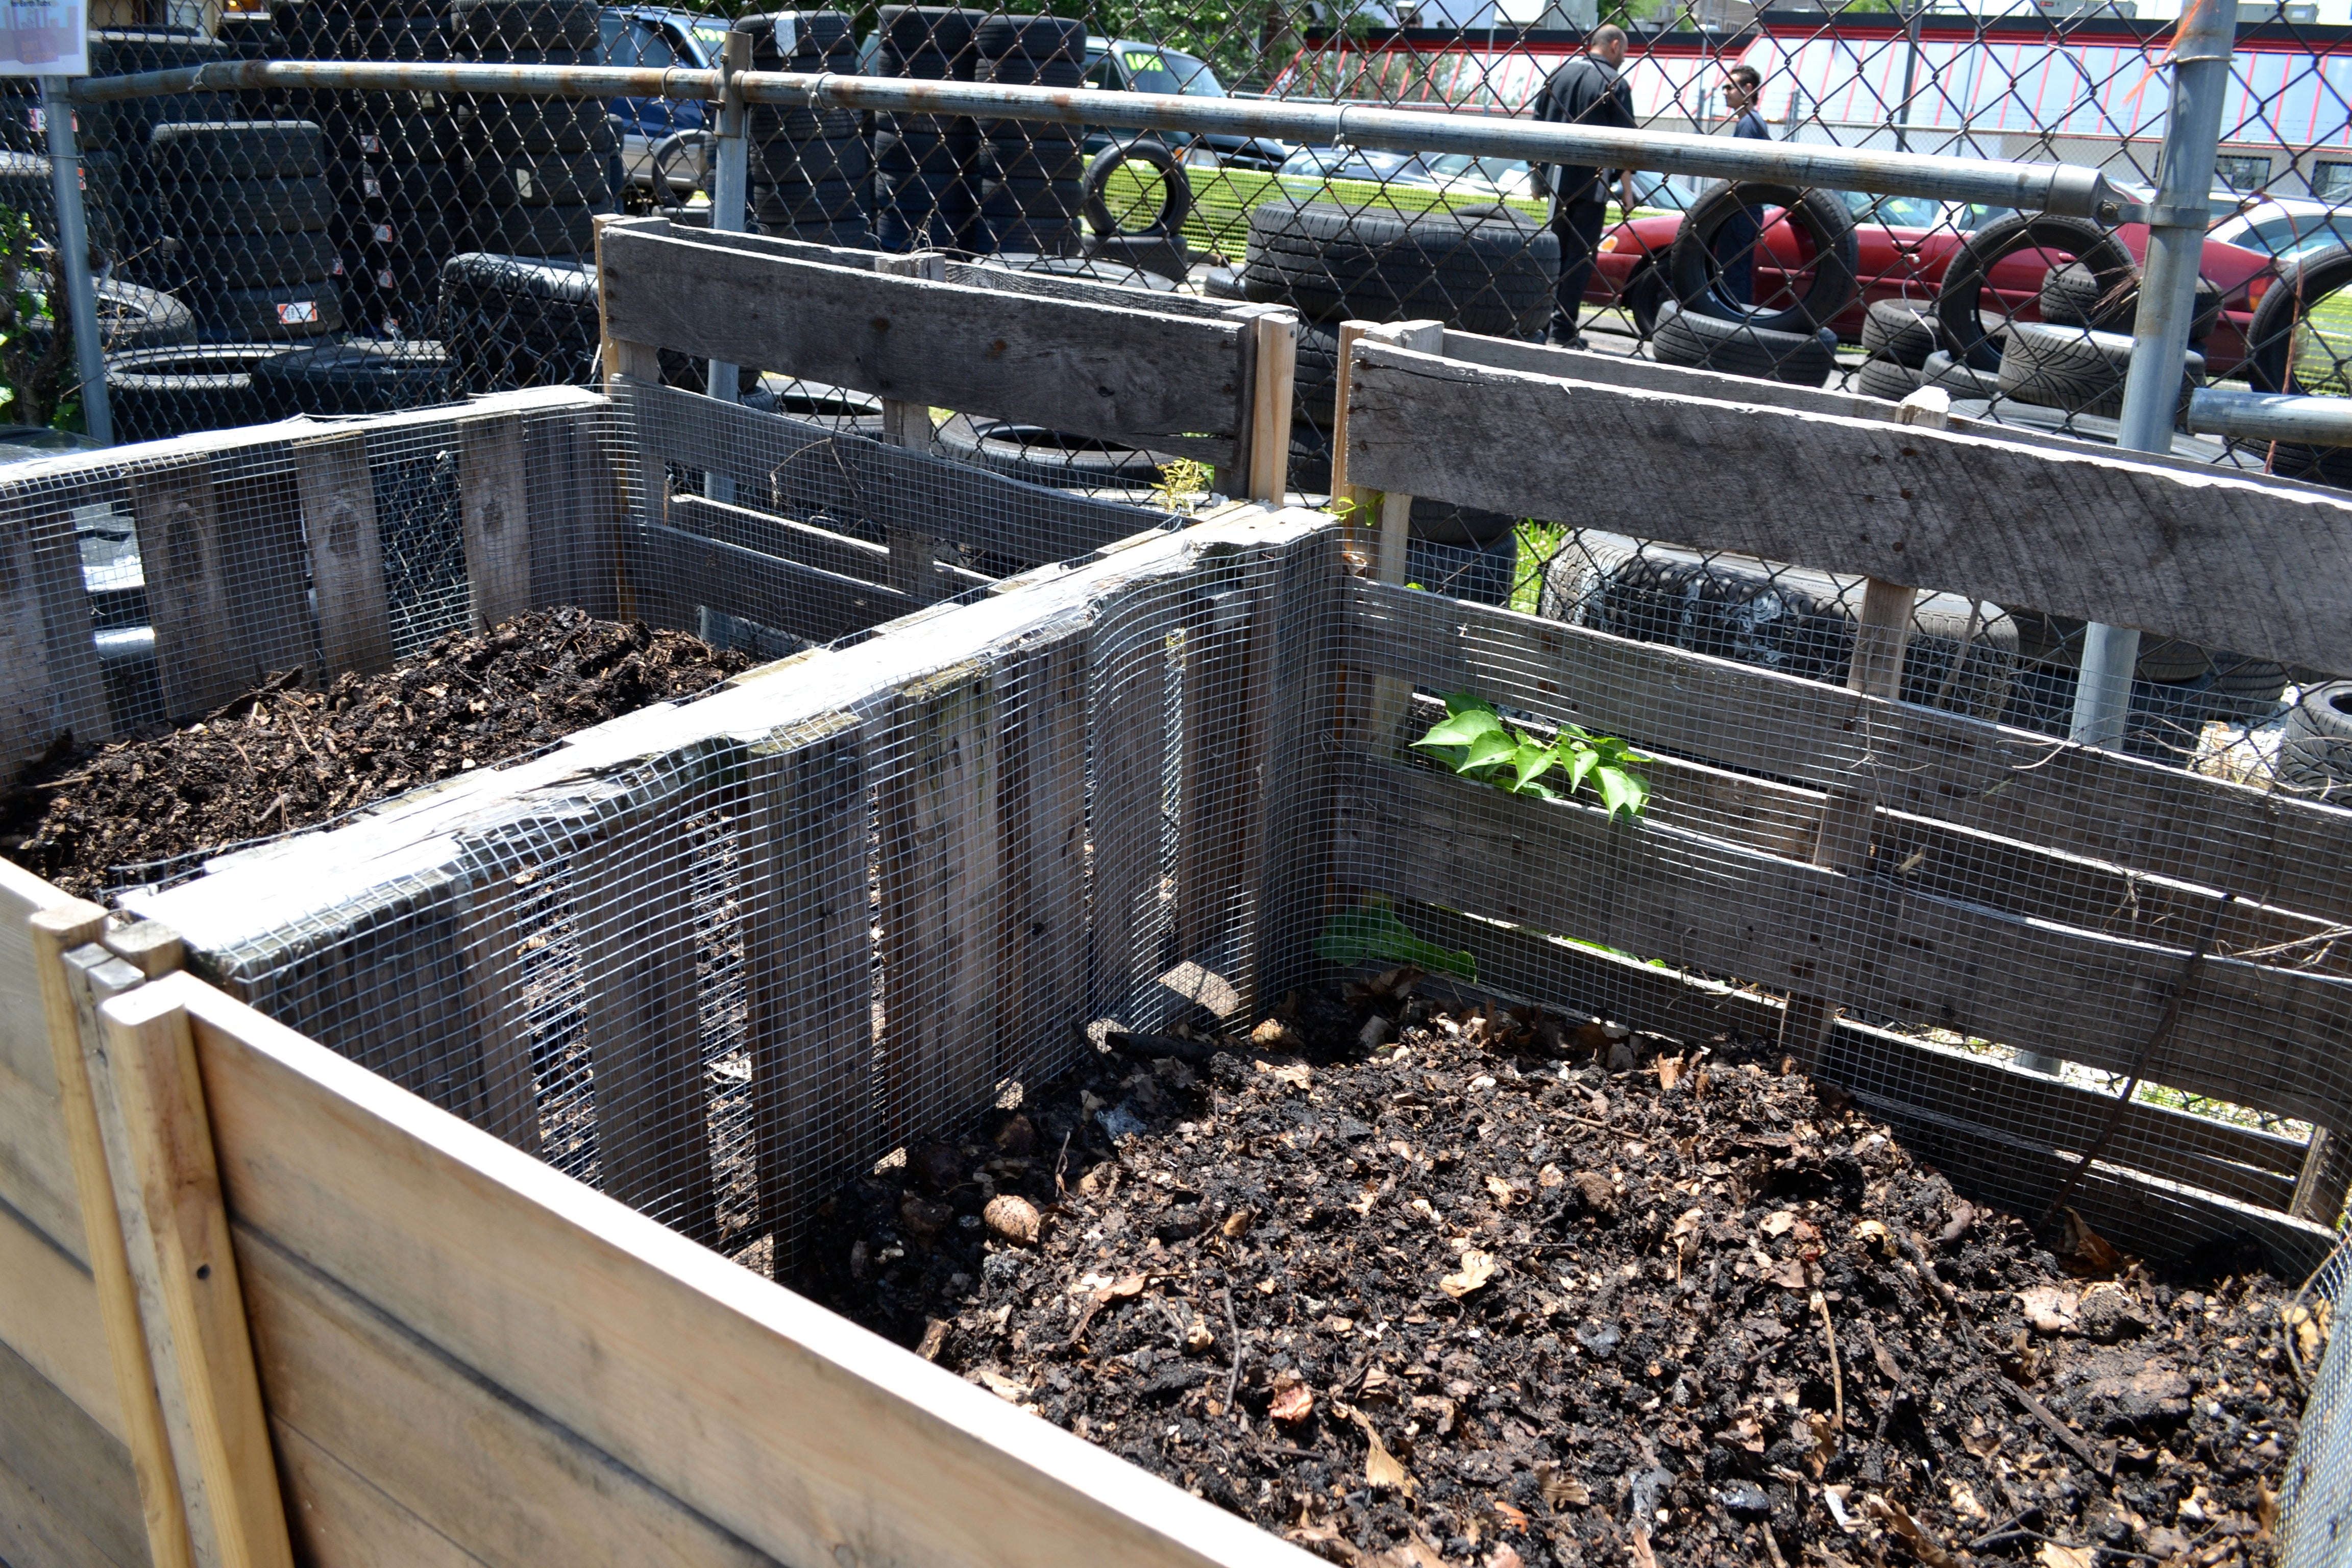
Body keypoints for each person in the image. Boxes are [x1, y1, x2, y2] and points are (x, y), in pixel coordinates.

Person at [1530, 24, 1637, 350]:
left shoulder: (1558, 74)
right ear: (1615, 46)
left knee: (1551, 255)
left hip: (1555, 181)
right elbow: (1627, 143)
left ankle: (1539, 324)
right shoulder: (1615, 83)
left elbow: (1537, 124)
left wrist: (1537, 175)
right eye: (1625, 52)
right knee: (1579, 259)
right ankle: (1563, 330)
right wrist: (1628, 191)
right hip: (1592, 184)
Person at [1714, 63, 1770, 308]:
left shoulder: (1749, 123)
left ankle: (1735, 320)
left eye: (1730, 87)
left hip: (1741, 212)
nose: (1725, 92)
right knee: (1736, 270)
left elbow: (1740, 170)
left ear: (1748, 89)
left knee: (1733, 273)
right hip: (1745, 211)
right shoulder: (1750, 122)